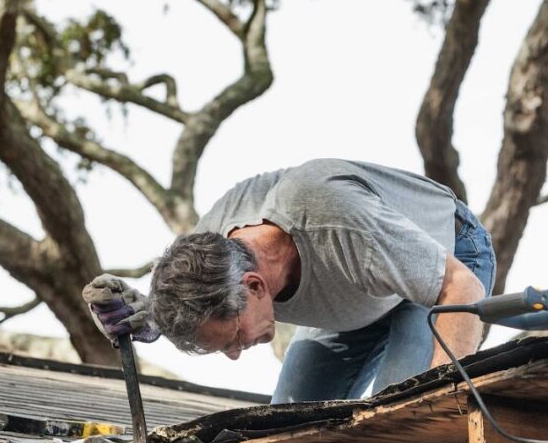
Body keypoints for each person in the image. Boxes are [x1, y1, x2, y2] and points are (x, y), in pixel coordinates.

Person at [83, 158, 496, 403]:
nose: (235, 354)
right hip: (359, 283)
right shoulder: (208, 254)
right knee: (284, 426)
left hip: (446, 258)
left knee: (404, 408)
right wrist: (147, 316)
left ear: (255, 286)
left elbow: (460, 287)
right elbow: (187, 310)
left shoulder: (337, 222)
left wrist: (443, 406)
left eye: (233, 339)